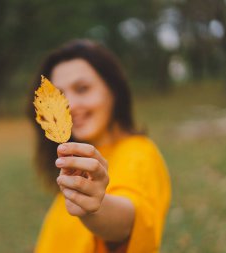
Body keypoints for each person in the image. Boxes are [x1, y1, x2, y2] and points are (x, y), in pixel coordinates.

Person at [29, 39, 171, 253]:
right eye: (58, 94)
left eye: (82, 89)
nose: (70, 105)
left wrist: (94, 209)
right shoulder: (79, 160)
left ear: (113, 90)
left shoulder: (138, 154)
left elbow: (129, 220)